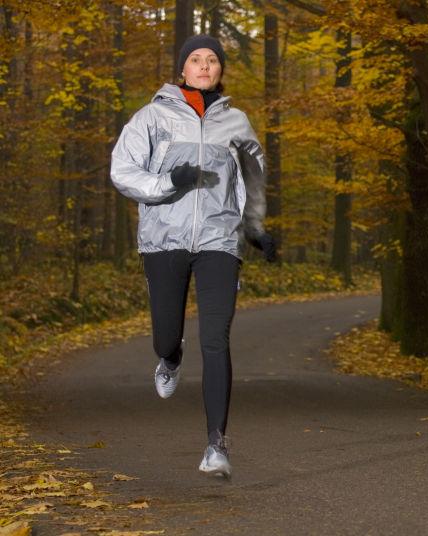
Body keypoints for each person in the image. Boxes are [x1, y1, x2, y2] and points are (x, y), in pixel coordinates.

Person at [110, 34, 277, 479]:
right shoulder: (152, 117)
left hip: (219, 240)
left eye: (212, 60)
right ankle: (169, 357)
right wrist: (168, 183)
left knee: (216, 338)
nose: (204, 66)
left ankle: (216, 446)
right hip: (164, 238)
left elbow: (255, 178)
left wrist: (255, 227)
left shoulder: (237, 123)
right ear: (182, 69)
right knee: (167, 335)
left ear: (220, 71)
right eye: (196, 59)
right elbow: (122, 171)